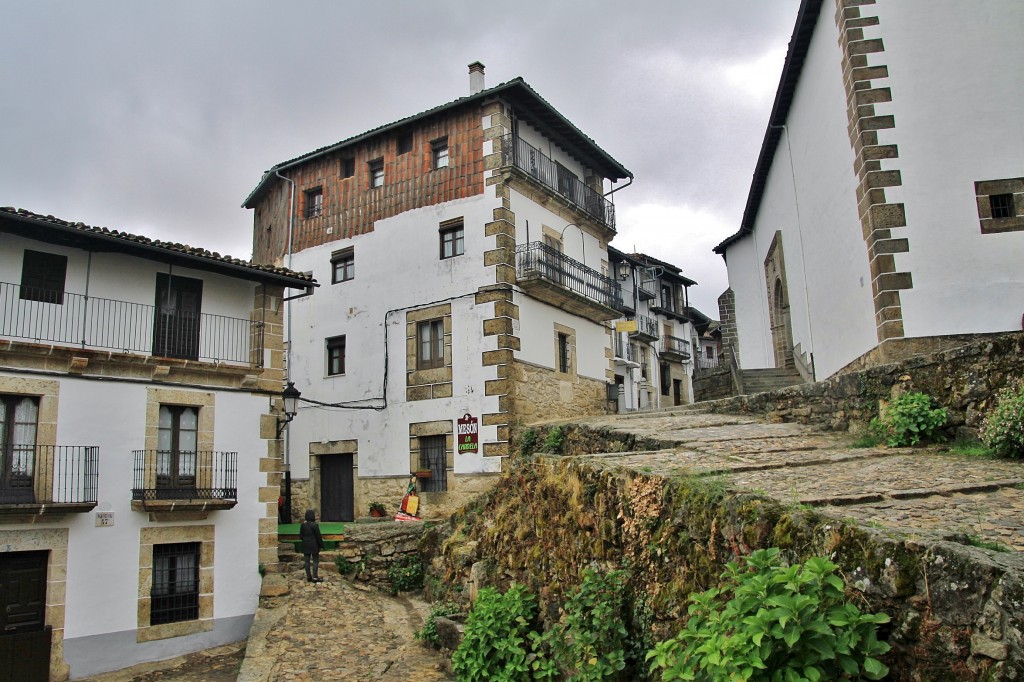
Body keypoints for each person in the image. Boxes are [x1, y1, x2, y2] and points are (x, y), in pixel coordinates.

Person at [299, 509, 324, 583]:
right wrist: (321, 545)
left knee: (307, 561)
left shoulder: (303, 525)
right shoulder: (315, 525)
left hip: (305, 545)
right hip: (314, 545)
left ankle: (308, 577)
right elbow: (318, 536)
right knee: (315, 561)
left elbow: (301, 536)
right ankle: (315, 577)